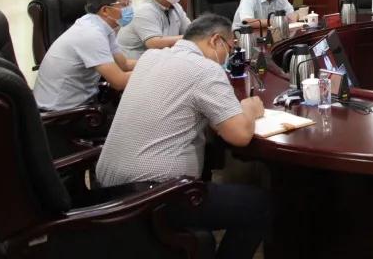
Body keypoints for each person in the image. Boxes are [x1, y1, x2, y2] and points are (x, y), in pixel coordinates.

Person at [96, 13, 268, 259]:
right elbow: (239, 135)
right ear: (215, 40)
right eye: (229, 48)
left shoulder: (150, 58)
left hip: (107, 185)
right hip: (155, 194)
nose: (228, 56)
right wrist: (249, 109)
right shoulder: (205, 69)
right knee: (259, 205)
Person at [33, 0, 137, 111]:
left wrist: (155, 62)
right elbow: (119, 82)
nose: (129, 9)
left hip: (84, 103)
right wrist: (155, 72)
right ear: (105, 10)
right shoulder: (91, 33)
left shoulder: (103, 27)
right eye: (124, 5)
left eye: (129, 3)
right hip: (62, 112)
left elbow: (124, 64)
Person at [117, 0, 190, 58]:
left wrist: (197, 35)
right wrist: (190, 38)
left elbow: (190, 30)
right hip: (135, 62)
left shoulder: (176, 6)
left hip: (160, 58)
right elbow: (154, 43)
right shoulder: (144, 10)